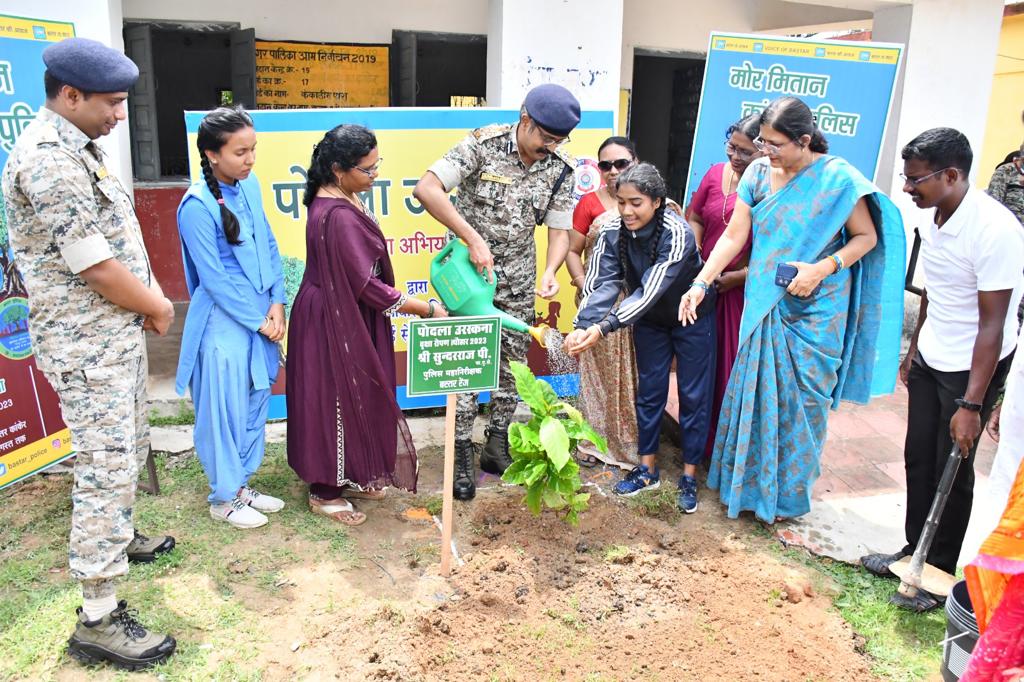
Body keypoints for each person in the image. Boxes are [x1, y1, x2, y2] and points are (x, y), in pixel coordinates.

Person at [1, 38, 176, 668]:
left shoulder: (83, 149)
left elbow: (116, 245)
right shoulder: (48, 162)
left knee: (126, 448)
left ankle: (121, 539)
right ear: (70, 96)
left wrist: (147, 301)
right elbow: (96, 267)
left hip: (111, 336)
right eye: (113, 102)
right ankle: (98, 616)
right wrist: (156, 305)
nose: (121, 115)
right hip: (85, 343)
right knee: (103, 471)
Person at [679, 95, 904, 524]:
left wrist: (822, 268)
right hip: (764, 303)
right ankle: (745, 491)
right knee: (752, 394)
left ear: (804, 140)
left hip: (817, 309)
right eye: (762, 142)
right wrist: (700, 282)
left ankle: (786, 499)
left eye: (774, 144)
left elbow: (866, 237)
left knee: (803, 406)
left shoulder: (838, 180)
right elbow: (732, 236)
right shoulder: (760, 176)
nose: (765, 152)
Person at [861, 127, 1024, 612]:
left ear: (951, 175)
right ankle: (914, 551)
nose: (908, 188)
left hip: (975, 363)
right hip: (935, 352)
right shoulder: (934, 217)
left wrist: (973, 403)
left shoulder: (995, 230)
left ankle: (937, 573)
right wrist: (914, 353)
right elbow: (933, 290)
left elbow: (993, 324)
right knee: (918, 456)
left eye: (917, 180)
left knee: (953, 468)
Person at [413, 83, 579, 501]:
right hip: (469, 277)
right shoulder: (482, 144)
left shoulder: (561, 168)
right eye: (545, 137)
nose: (550, 146)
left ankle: (496, 443)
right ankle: (460, 451)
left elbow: (559, 229)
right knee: (469, 360)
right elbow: (427, 189)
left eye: (559, 140)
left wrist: (551, 269)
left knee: (512, 364)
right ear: (525, 118)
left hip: (520, 278)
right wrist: (470, 237)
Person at [288, 124, 440, 525]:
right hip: (333, 317)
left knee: (356, 392)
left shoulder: (342, 196)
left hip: (341, 309)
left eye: (377, 167)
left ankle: (351, 472)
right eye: (368, 170)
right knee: (333, 399)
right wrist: (422, 308)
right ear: (339, 169)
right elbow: (366, 287)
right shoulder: (335, 214)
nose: (375, 176)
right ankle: (324, 491)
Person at [565, 162, 714, 513]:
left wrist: (604, 327)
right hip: (650, 321)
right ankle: (647, 469)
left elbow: (649, 290)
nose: (627, 211)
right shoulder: (612, 231)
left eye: (637, 203)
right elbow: (602, 281)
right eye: (621, 202)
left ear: (657, 202)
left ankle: (690, 475)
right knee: (649, 392)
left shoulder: (677, 234)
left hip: (690, 316)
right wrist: (584, 323)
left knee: (693, 395)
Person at [175, 106, 287, 529]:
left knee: (257, 399)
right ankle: (222, 498)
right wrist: (259, 321)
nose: (250, 159)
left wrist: (276, 302)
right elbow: (214, 279)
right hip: (225, 322)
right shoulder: (195, 207)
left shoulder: (251, 185)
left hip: (263, 313)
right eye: (241, 152)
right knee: (222, 409)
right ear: (211, 154)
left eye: (253, 149)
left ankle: (240, 484)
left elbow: (269, 244)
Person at [686, 114, 762, 460]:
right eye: (732, 147)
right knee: (701, 367)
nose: (736, 157)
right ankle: (699, 445)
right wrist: (701, 262)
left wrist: (740, 276)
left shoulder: (771, 189)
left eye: (746, 152)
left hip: (744, 294)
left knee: (732, 372)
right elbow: (697, 217)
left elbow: (780, 249)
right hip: (706, 288)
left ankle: (728, 450)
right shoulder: (716, 175)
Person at [565, 136, 640, 469]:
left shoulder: (647, 202)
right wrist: (585, 286)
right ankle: (592, 440)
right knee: (596, 377)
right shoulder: (589, 204)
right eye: (605, 165)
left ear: (635, 162)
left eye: (621, 163)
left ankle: (631, 443)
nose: (613, 171)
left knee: (632, 375)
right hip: (597, 304)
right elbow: (572, 251)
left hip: (638, 303)